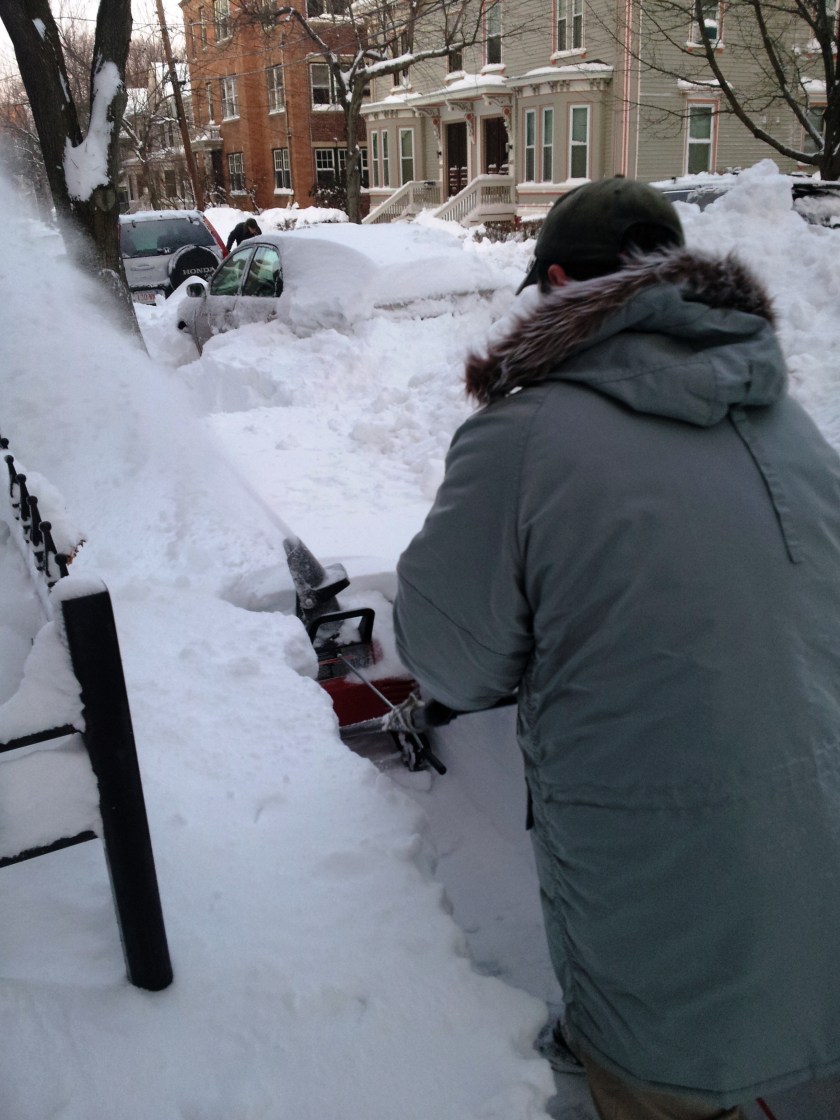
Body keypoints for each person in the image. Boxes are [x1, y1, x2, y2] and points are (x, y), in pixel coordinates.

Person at [393, 177, 840, 1120]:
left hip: (667, 903)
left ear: (559, 284)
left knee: (658, 1079)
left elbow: (450, 663)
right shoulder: (786, 420)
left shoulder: (521, 439)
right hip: (821, 847)